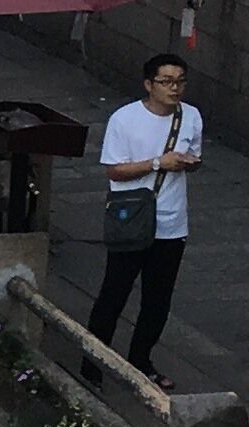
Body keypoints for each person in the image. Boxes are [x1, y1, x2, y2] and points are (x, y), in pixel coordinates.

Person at [85, 52, 204, 376]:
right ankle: (93, 361)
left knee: (158, 299)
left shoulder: (190, 117)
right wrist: (157, 163)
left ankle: (141, 360)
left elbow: (194, 156)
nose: (174, 88)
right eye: (166, 82)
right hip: (131, 219)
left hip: (171, 223)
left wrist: (187, 164)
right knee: (114, 292)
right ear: (149, 84)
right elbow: (114, 170)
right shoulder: (124, 119)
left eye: (180, 81)